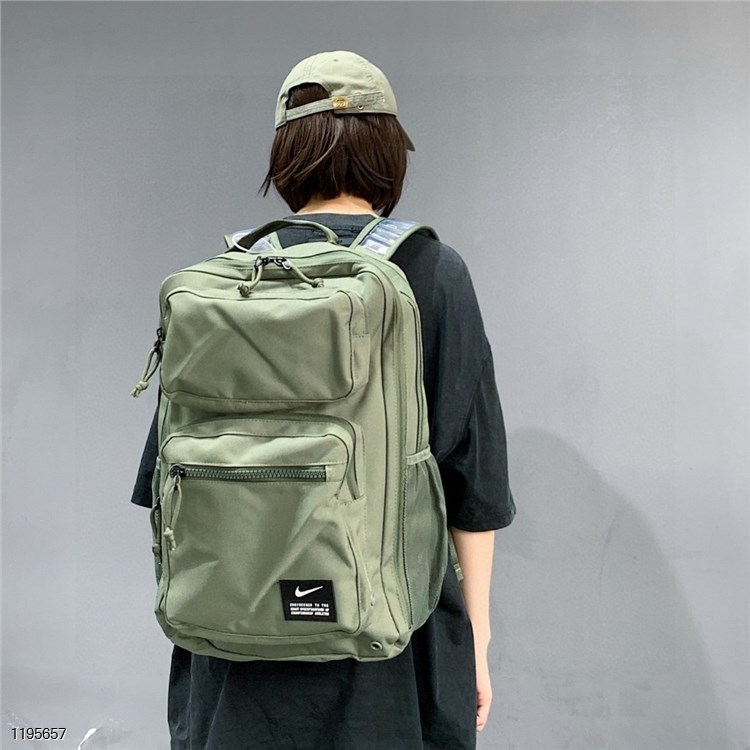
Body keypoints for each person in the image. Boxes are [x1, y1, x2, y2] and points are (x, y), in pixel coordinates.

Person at [131, 50, 516, 750]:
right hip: (388, 655)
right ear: (388, 149)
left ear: (286, 153)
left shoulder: (223, 284)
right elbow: (474, 483)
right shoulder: (432, 272)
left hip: (230, 652)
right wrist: (479, 644)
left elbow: (164, 480)